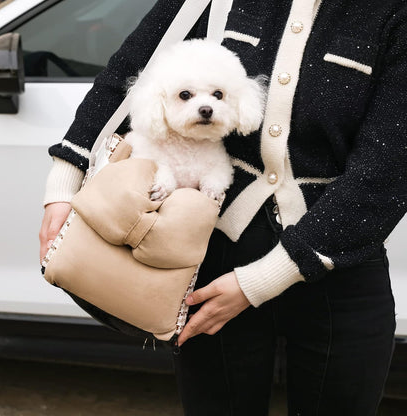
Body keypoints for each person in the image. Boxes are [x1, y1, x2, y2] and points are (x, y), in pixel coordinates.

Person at [39, 0, 407, 414]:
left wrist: (261, 281)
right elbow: (124, 74)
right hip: (214, 259)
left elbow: (389, 167)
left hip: (339, 261)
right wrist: (64, 183)